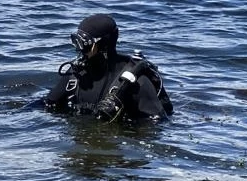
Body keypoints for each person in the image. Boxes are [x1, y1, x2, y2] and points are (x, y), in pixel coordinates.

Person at [44, 14, 173, 122]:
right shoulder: (76, 74)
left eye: (84, 44)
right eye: (76, 42)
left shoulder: (137, 82)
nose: (79, 50)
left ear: (101, 45)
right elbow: (48, 104)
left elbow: (157, 126)